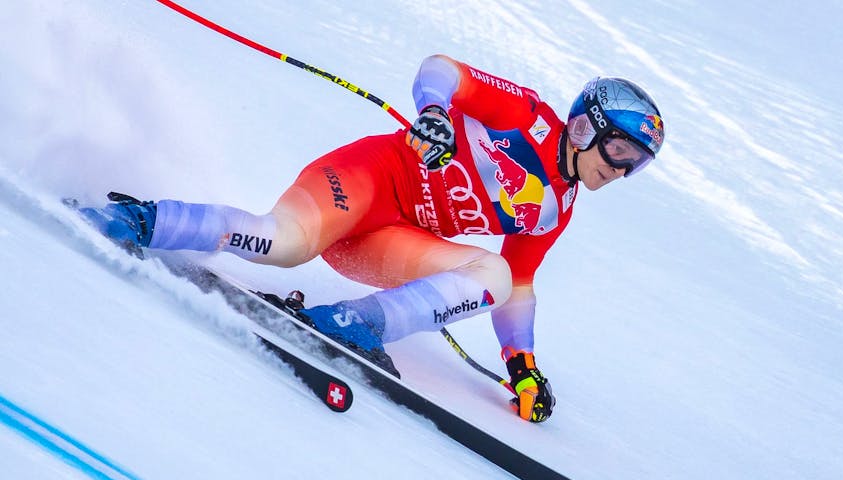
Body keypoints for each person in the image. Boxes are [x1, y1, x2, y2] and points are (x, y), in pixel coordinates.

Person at [82, 54, 665, 423]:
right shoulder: (525, 117)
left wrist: (523, 367)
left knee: (493, 273)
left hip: (387, 243)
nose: (618, 170)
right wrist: (434, 113)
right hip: (365, 181)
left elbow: (518, 287)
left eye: (634, 165)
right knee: (283, 243)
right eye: (618, 150)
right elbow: (442, 70)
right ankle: (143, 221)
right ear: (587, 125)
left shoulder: (556, 210)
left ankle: (352, 324)